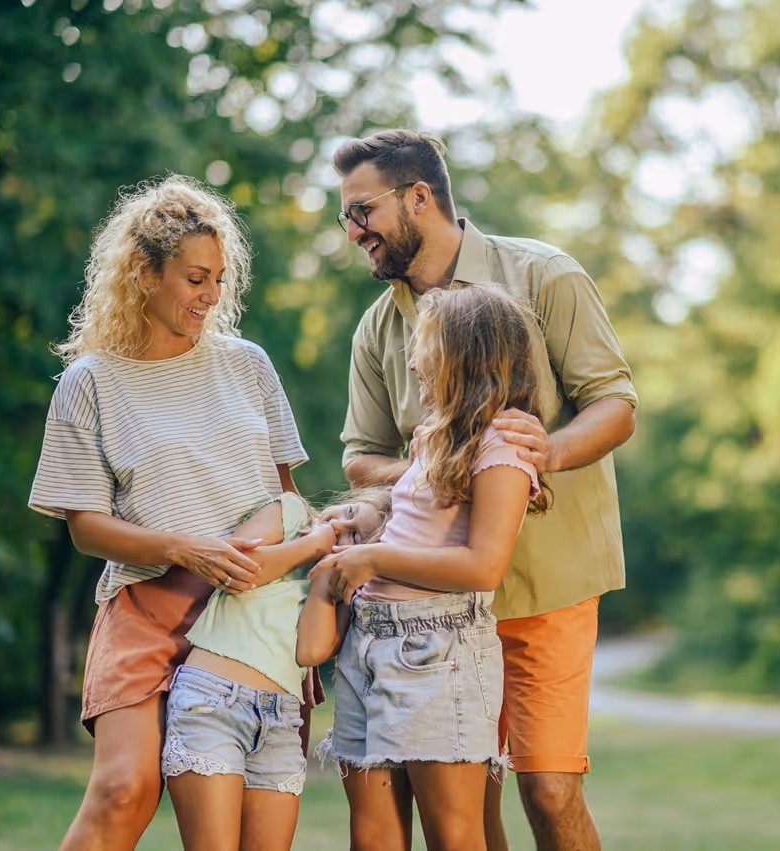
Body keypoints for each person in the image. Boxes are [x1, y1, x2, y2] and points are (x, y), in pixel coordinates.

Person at [331, 129, 638, 851]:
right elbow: (360, 458)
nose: (352, 232)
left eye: (362, 210)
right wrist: (443, 464)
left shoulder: (543, 275)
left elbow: (616, 403)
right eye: (344, 217)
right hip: (436, 607)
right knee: (469, 809)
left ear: (419, 197)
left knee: (550, 788)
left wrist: (543, 452)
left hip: (548, 585)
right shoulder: (378, 328)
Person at [28, 175, 312, 851]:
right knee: (124, 789)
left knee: (243, 827)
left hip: (248, 612)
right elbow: (86, 527)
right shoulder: (89, 382)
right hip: (145, 610)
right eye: (194, 278)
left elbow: (289, 497)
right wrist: (185, 548)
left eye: (218, 278)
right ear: (142, 272)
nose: (211, 296)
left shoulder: (249, 366)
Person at [312, 285, 551, 851]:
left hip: (438, 650)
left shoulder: (502, 448)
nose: (414, 362)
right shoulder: (431, 440)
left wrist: (372, 558)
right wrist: (361, 528)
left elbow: (483, 566)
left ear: (468, 357)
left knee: (453, 833)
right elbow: (417, 525)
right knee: (372, 835)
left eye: (427, 349)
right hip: (370, 644)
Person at [161, 486, 390, 851]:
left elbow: (311, 650)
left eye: (353, 537)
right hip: (212, 703)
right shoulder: (291, 512)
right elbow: (235, 570)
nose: (338, 528)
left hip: (280, 722)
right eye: (348, 512)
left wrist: (324, 580)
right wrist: (314, 545)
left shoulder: (339, 593)